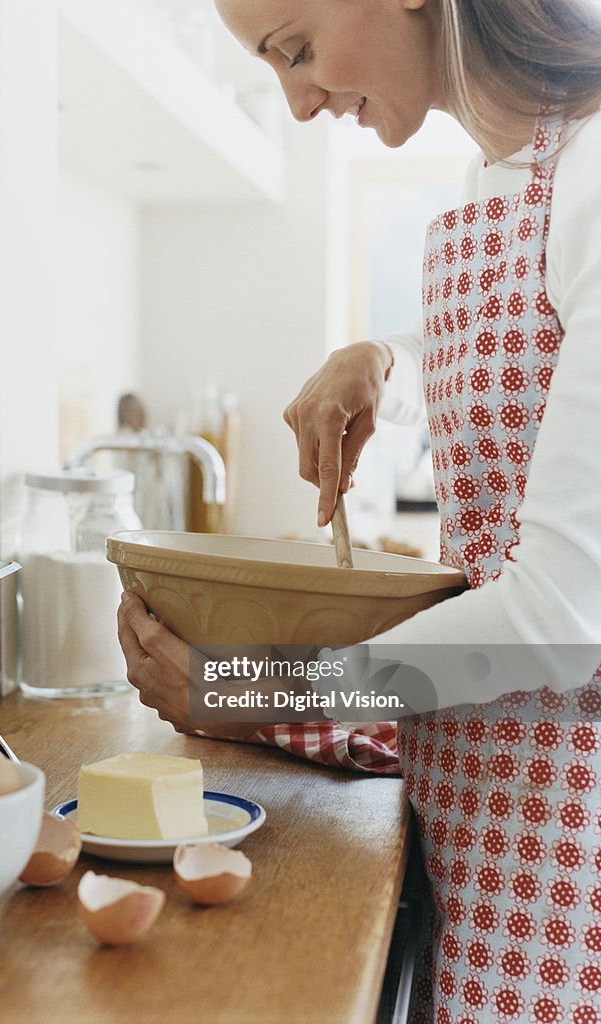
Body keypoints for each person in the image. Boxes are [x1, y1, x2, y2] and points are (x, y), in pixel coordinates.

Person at [118, 1, 601, 1021]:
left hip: (571, 845)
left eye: (294, 47)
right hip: (483, 801)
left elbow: (558, 620)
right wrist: (380, 358)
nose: (295, 101)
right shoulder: (499, 178)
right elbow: (541, 387)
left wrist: (248, 685)